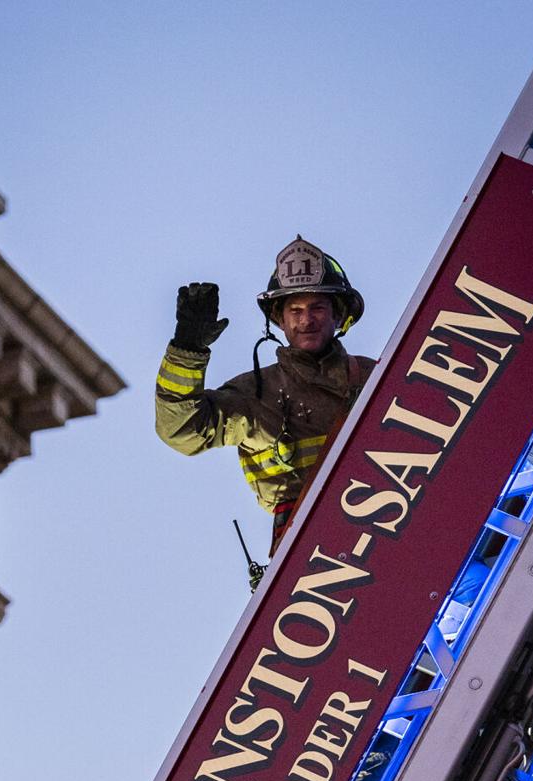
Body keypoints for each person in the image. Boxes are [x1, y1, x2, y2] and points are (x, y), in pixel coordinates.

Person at [156, 237, 377, 582]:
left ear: (338, 314)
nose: (307, 320)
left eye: (317, 308)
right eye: (295, 310)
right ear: (279, 319)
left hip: (388, 523)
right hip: (311, 554)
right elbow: (180, 431)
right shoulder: (254, 395)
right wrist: (187, 349)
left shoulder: (374, 376)